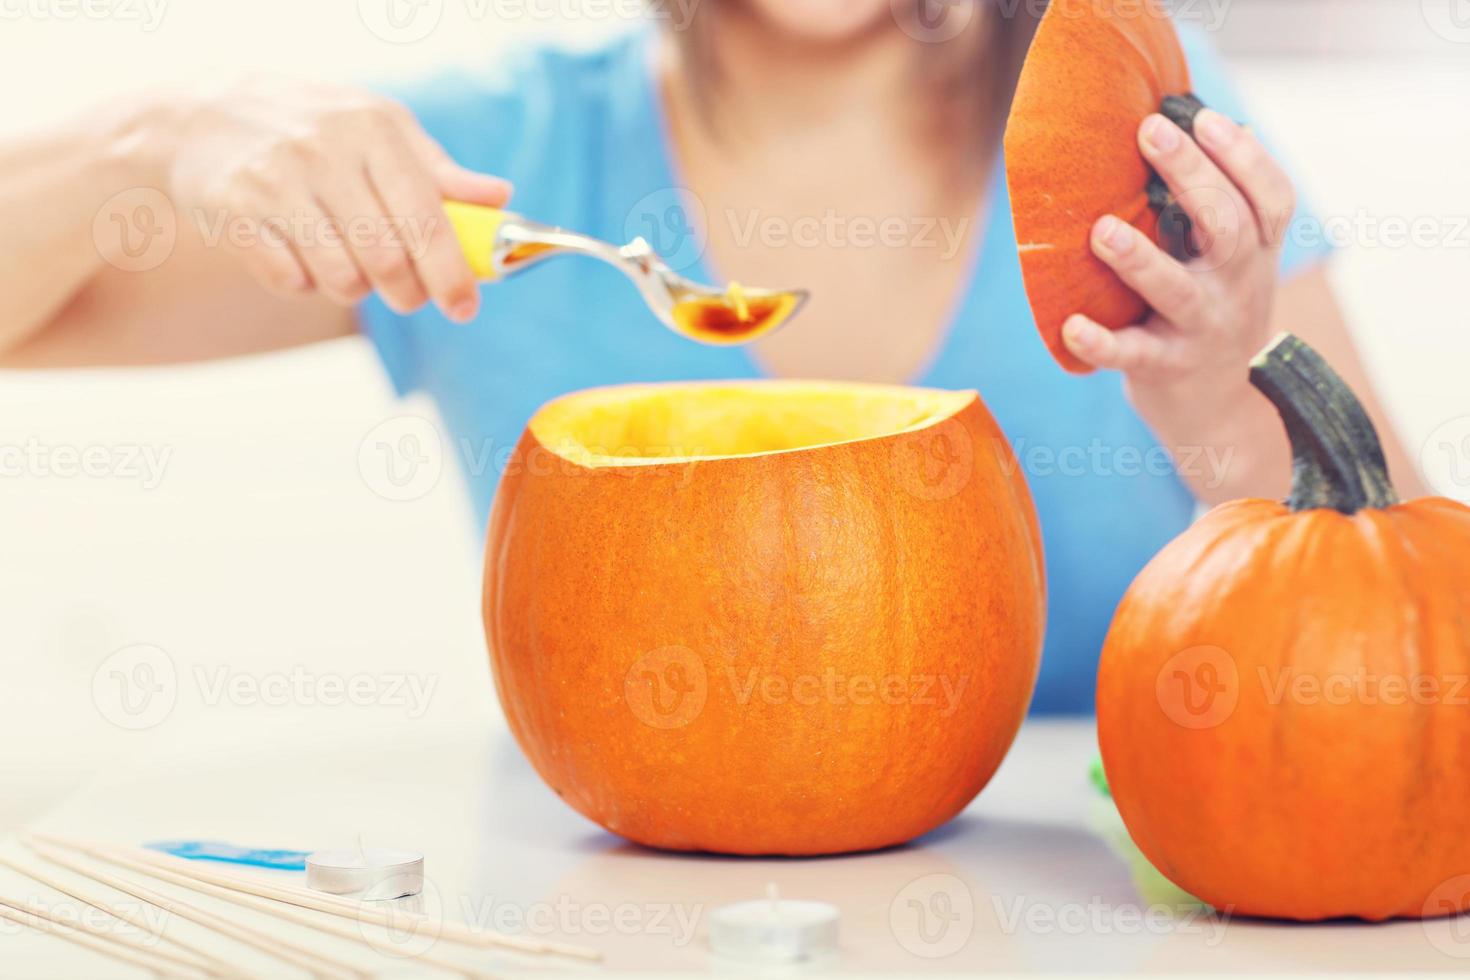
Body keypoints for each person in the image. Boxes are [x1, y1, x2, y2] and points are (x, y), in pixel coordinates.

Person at [0, 1, 1424, 712]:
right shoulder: (481, 164)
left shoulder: (1127, 114)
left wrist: (1217, 396)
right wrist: (157, 132)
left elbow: (1409, 659)